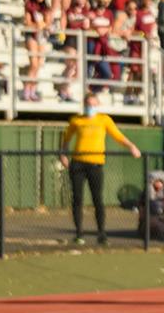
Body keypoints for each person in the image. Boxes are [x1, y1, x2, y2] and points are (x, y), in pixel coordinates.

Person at [58, 93, 141, 245]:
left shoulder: (104, 120)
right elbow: (66, 138)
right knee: (77, 199)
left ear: (97, 105)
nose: (90, 107)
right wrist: (63, 154)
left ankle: (101, 234)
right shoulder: (76, 120)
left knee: (98, 199)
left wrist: (131, 146)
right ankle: (79, 233)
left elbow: (118, 136)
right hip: (78, 163)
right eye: (88, 104)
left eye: (93, 104)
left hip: (95, 164)